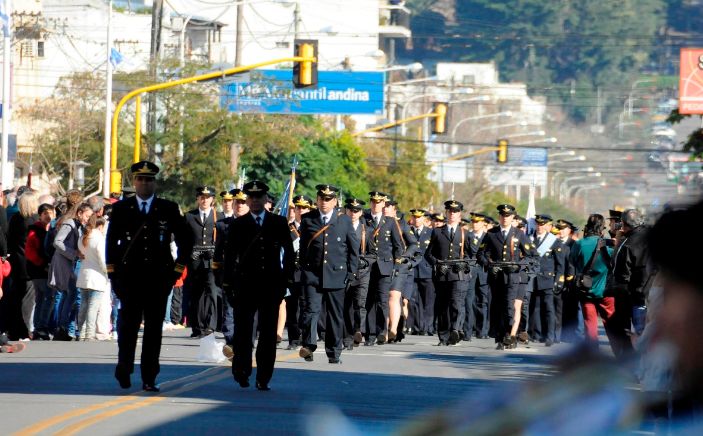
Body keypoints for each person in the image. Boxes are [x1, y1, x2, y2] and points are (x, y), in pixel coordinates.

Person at [107, 161, 193, 391]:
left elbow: (186, 240)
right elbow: (111, 243)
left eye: (149, 179)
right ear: (134, 181)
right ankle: (124, 366)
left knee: (154, 330)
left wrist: (176, 270)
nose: (144, 183)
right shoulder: (122, 208)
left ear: (155, 182)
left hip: (158, 278)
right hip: (130, 278)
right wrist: (113, 273)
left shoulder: (168, 208)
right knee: (128, 327)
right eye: (140, 179)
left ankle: (149, 377)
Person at [222, 181, 294, 390]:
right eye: (250, 197)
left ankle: (264, 376)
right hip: (245, 285)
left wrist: (287, 281)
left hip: (271, 285)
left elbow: (288, 253)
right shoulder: (238, 224)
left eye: (258, 197)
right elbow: (229, 257)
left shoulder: (278, 223)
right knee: (243, 332)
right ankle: (241, 369)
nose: (254, 200)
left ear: (265, 200)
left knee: (268, 335)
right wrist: (227, 284)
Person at [298, 184, 359, 364]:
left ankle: (334, 352)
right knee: (311, 310)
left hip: (336, 274)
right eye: (321, 199)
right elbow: (303, 248)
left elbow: (353, 249)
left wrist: (351, 273)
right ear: (316, 200)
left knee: (335, 315)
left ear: (335, 201)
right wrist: (303, 269)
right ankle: (308, 346)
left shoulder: (344, 220)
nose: (324, 203)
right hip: (312, 273)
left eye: (328, 199)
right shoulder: (308, 219)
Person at [569, 214, 630, 355]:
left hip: (585, 290)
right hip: (606, 291)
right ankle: (619, 354)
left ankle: (592, 357)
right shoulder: (609, 243)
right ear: (602, 230)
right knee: (611, 325)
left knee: (590, 325)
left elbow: (572, 261)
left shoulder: (579, 244)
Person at [477, 204, 532, 350]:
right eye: (503, 215)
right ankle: (500, 337)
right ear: (499, 217)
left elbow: (531, 256)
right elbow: (481, 254)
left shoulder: (519, 234)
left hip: (512, 276)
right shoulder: (491, 234)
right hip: (496, 277)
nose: (505, 218)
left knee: (509, 306)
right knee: (497, 307)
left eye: (508, 216)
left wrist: (518, 265)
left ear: (513, 217)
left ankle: (509, 334)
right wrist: (489, 265)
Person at [424, 200, 472, 346]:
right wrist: (437, 264)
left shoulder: (465, 233)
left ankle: (455, 329)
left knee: (457, 302)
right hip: (442, 274)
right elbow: (428, 254)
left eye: (455, 212)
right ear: (446, 213)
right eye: (450, 211)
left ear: (459, 215)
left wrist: (463, 264)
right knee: (443, 305)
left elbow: (472, 255)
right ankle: (443, 337)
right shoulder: (438, 231)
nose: (452, 214)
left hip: (459, 275)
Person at [363, 191, 403, 345]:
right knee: (368, 301)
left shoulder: (390, 222)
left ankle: (382, 332)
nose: (375, 204)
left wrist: (397, 264)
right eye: (373, 201)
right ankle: (369, 335)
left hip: (385, 266)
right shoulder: (364, 220)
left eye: (378, 202)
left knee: (382, 300)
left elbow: (398, 245)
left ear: (383, 204)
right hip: (368, 266)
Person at [49, 203, 93, 341]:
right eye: (86, 216)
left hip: (68, 262)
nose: (88, 219)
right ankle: (62, 326)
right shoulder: (70, 224)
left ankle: (61, 328)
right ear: (79, 213)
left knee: (67, 293)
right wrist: (73, 253)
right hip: (63, 262)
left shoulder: (77, 225)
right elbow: (57, 242)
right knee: (71, 292)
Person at [184, 186, 223, 339]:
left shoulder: (218, 217)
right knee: (196, 294)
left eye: (208, 197)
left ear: (212, 199)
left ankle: (211, 326)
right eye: (202, 197)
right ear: (197, 199)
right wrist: (189, 254)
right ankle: (197, 328)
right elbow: (184, 239)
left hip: (212, 261)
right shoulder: (189, 216)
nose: (204, 200)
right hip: (195, 261)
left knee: (212, 292)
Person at [6, 191, 40, 340]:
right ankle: (24, 330)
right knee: (28, 298)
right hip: (29, 263)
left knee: (15, 297)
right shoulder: (34, 221)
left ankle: (13, 329)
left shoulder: (14, 218)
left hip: (15, 261)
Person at [526, 214, 564, 347]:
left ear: (548, 225)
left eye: (542, 224)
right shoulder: (530, 239)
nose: (540, 226)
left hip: (548, 279)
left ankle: (550, 336)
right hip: (532, 278)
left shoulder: (554, 241)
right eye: (538, 224)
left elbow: (560, 264)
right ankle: (533, 334)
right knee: (533, 307)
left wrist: (559, 280)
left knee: (549, 308)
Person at [612, 209, 651, 335]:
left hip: (638, 295)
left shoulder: (627, 245)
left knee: (639, 335)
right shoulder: (654, 235)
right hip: (658, 292)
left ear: (623, 224)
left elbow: (622, 275)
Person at [383, 196, 416, 342]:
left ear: (393, 209)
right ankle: (382, 329)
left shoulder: (401, 224)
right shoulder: (375, 223)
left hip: (398, 264)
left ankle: (393, 329)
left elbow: (413, 244)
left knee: (394, 296)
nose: (385, 208)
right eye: (383, 205)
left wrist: (404, 256)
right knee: (381, 298)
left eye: (388, 206)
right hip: (381, 263)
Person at [342, 197, 371, 349]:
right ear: (346, 210)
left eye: (356, 211)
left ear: (360, 212)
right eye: (350, 210)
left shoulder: (367, 230)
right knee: (346, 306)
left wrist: (365, 261)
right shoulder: (339, 228)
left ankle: (359, 330)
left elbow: (373, 254)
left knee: (360, 304)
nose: (353, 213)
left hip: (362, 273)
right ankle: (347, 339)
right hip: (344, 272)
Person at [285, 194, 313, 350]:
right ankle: (293, 339)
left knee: (307, 307)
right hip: (292, 273)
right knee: (292, 308)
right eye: (299, 208)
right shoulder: (287, 229)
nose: (301, 211)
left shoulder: (313, 228)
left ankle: (306, 336)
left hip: (308, 273)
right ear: (294, 210)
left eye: (305, 208)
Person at [76, 216, 109, 341]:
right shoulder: (99, 239)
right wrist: (107, 273)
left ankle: (81, 332)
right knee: (93, 306)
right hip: (97, 276)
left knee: (83, 305)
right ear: (100, 226)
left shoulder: (82, 237)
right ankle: (89, 334)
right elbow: (102, 258)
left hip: (84, 274)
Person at [27, 204, 56, 340]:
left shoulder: (51, 229)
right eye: (45, 213)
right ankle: (41, 326)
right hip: (39, 269)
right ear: (39, 215)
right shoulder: (35, 230)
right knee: (49, 295)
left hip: (44, 268)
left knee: (40, 298)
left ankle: (38, 327)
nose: (48, 216)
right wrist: (43, 264)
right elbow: (30, 251)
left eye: (50, 213)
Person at [407, 209, 435, 337]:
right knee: (412, 301)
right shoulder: (408, 231)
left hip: (426, 270)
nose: (416, 220)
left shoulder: (430, 232)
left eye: (419, 217)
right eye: (415, 217)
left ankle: (427, 327)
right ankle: (416, 327)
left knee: (427, 301)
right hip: (412, 270)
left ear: (424, 219)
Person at [467, 212, 490, 340]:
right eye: (473, 222)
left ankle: (482, 331)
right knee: (469, 301)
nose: (475, 224)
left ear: (482, 224)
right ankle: (468, 331)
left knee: (483, 302)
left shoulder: (488, 237)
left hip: (483, 271)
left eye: (478, 222)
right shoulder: (468, 236)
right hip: (470, 271)